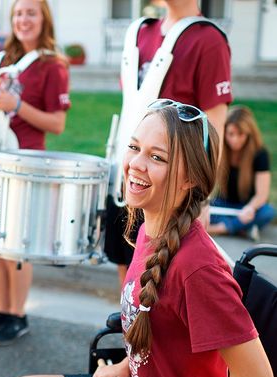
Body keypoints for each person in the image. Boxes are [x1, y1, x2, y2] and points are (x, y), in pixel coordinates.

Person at [4, 102, 275, 377]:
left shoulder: (199, 271)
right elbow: (157, 324)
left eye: (157, 157)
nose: (136, 164)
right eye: (134, 148)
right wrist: (126, 365)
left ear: (189, 178)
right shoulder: (150, 227)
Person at [0, 0, 70, 346]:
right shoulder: (5, 61)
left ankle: (18, 315)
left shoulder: (53, 65)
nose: (24, 19)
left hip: (25, 164)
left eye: (31, 13)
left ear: (44, 19)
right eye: (18, 13)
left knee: (15, 244)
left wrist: (18, 105)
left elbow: (58, 124)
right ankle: (2, 309)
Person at [105, 0, 232, 287]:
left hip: (170, 190)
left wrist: (204, 197)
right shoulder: (140, 31)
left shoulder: (208, 39)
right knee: (129, 290)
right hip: (128, 180)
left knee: (165, 294)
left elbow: (214, 129)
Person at [208, 106, 275, 240]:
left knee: (268, 212)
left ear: (249, 133)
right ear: (224, 131)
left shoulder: (260, 154)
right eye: (231, 134)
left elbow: (262, 195)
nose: (235, 140)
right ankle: (243, 228)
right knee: (200, 208)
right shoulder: (220, 149)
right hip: (224, 204)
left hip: (247, 207)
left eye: (240, 134)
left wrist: (250, 208)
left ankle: (219, 229)